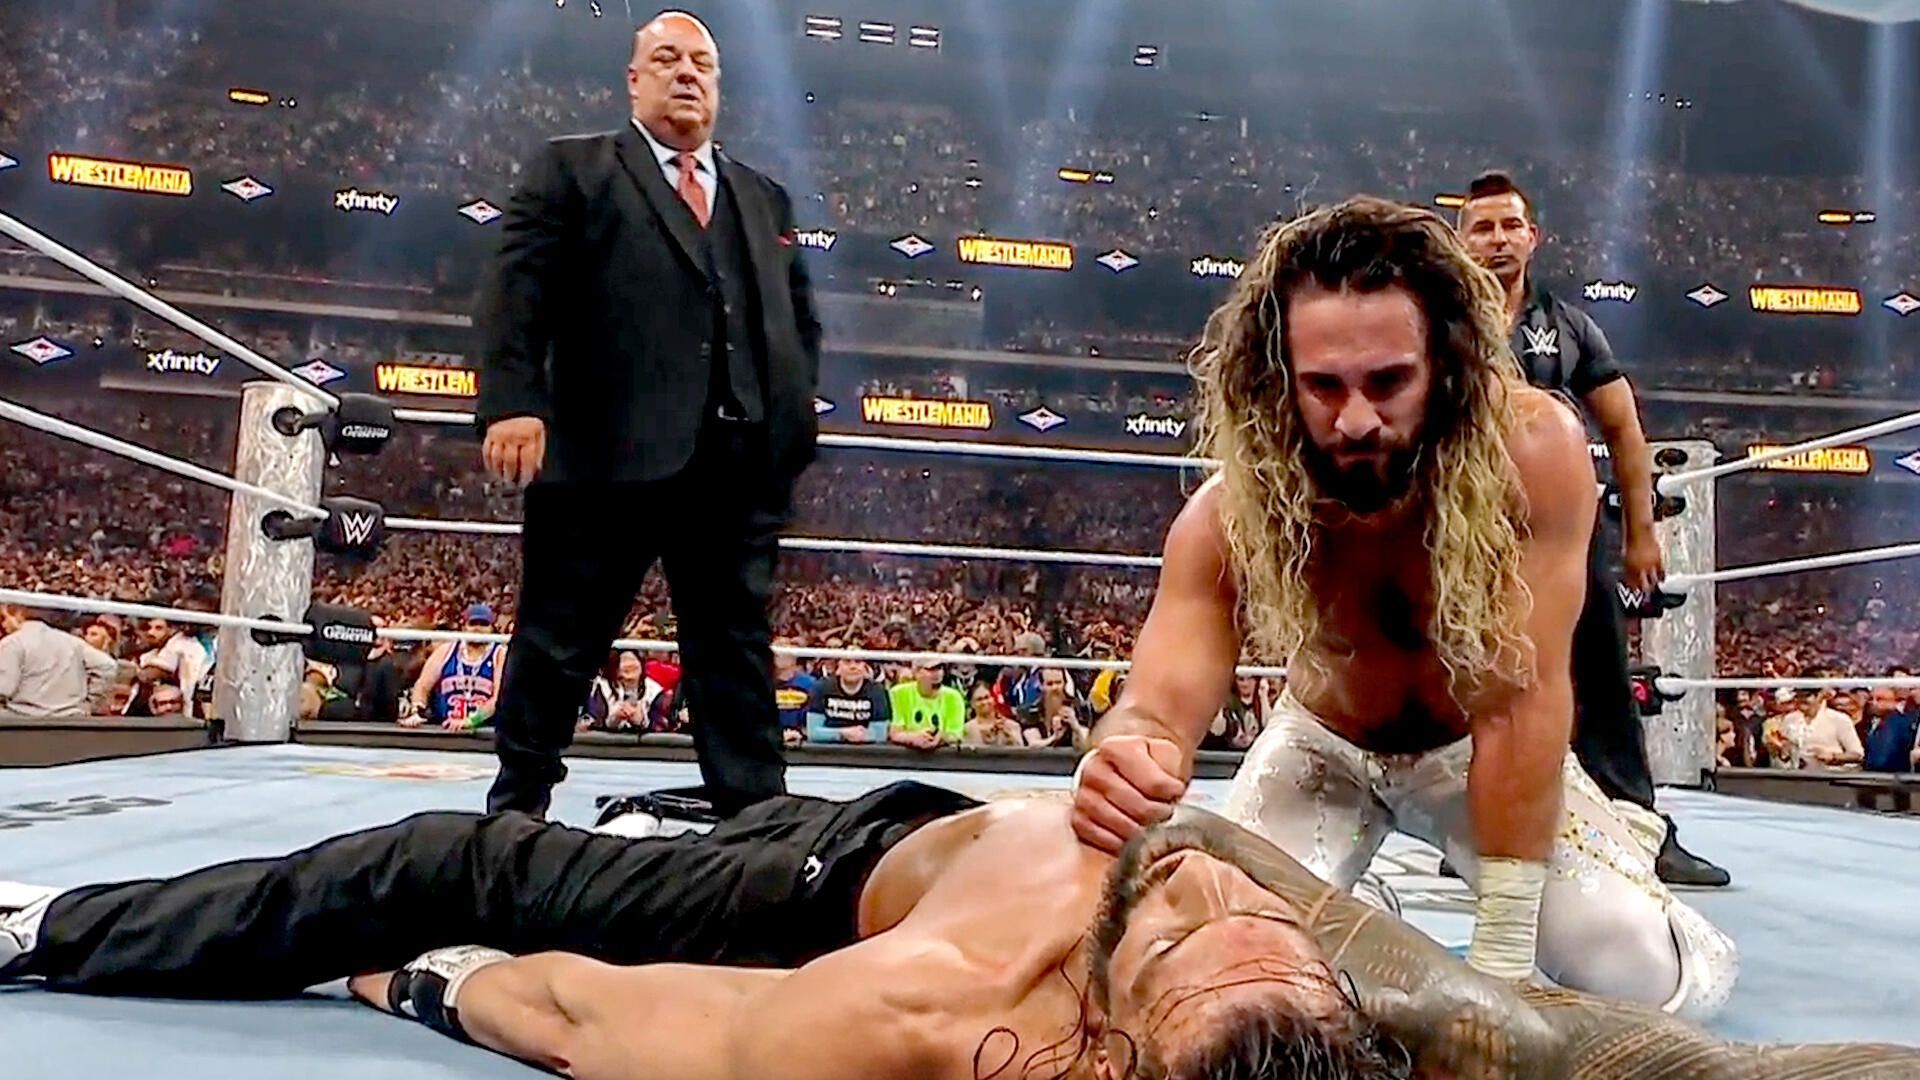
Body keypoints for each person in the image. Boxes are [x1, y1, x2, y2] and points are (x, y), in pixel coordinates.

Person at [1070, 196, 1734, 1017]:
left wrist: (1502, 951)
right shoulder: (1232, 509)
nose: (1355, 420)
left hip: (1475, 744)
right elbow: (1157, 703)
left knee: (1638, 972)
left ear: (1446, 365)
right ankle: (1363, 915)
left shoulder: (1532, 452)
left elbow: (1521, 700)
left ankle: (1644, 903)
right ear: (1279, 379)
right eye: (1323, 386)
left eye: (1389, 381)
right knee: (1228, 963)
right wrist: (1128, 754)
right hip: (1322, 748)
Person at [4, 798, 1914, 1079]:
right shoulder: (1354, 980)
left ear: (1111, 1041)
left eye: (1176, 930)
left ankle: (55, 925)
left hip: (833, 888)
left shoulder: (921, 1018)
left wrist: (424, 986)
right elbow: (1713, 1078)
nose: (1200, 882)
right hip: (935, 820)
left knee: (456, 857)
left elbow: (595, 1019)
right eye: (1246, 913)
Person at [474, 9, 821, 816]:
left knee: (734, 645)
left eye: (702, 62)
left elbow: (795, 322)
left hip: (734, 463)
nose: (687, 72)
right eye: (667, 58)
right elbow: (515, 294)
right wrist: (514, 403)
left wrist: (792, 425)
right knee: (561, 635)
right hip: (603, 448)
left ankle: (756, 817)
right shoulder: (574, 169)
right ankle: (516, 807)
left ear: (720, 85)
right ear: (634, 81)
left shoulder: (762, 198)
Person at [1453, 171, 1728, 889]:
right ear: (1461, 241)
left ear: (1533, 237)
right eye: (1482, 228)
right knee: (1480, 680)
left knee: (1602, 674)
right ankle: (1479, 829)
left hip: (1566, 531)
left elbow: (1625, 429)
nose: (1498, 240)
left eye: (1510, 226)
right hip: (1467, 531)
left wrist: (1641, 533)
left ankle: (1639, 826)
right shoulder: (1437, 321)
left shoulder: (1569, 325)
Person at [0, 605, 117, 718]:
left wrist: (89, 705)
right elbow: (107, 666)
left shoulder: (12, 643)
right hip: (68, 719)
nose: (3, 625)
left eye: (4, 618)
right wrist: (89, 705)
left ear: (19, 614)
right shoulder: (73, 642)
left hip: (21, 720)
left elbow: (4, 689)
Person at [405, 605, 507, 732]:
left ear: (492, 628)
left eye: (483, 624)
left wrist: (471, 721)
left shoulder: (499, 654)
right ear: (464, 626)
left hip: (484, 732)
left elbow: (498, 698)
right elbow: (422, 686)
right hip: (445, 728)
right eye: (473, 624)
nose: (478, 629)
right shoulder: (446, 650)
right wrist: (417, 711)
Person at [803, 657, 889, 745]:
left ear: (865, 666)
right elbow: (813, 733)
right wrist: (843, 733)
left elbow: (880, 735)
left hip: (865, 750)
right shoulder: (821, 687)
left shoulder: (877, 691)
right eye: (847, 662)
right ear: (838, 666)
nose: (853, 667)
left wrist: (862, 736)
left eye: (858, 662)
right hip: (828, 749)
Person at [887, 656, 965, 751]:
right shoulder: (899, 693)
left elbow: (955, 734)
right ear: (916, 673)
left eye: (939, 668)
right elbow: (895, 733)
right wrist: (912, 738)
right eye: (931, 669)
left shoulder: (954, 697)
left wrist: (942, 738)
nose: (937, 674)